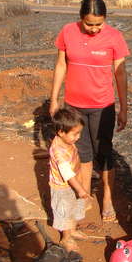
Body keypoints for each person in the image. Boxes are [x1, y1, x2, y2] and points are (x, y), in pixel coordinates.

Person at [49, 0, 129, 223]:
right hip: (74, 106)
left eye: (99, 24)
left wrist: (123, 107)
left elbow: (120, 73)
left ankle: (107, 199)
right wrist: (54, 99)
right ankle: (84, 193)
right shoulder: (67, 32)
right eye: (89, 24)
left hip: (102, 106)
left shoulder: (114, 37)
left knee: (103, 153)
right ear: (80, 18)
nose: (94, 29)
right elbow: (61, 64)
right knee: (82, 152)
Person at [49, 107, 90, 252]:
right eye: (75, 134)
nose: (78, 137)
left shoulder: (66, 141)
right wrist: (80, 189)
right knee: (65, 211)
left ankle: (72, 230)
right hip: (63, 187)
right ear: (61, 132)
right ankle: (66, 237)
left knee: (73, 208)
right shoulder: (58, 152)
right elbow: (67, 174)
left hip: (73, 183)